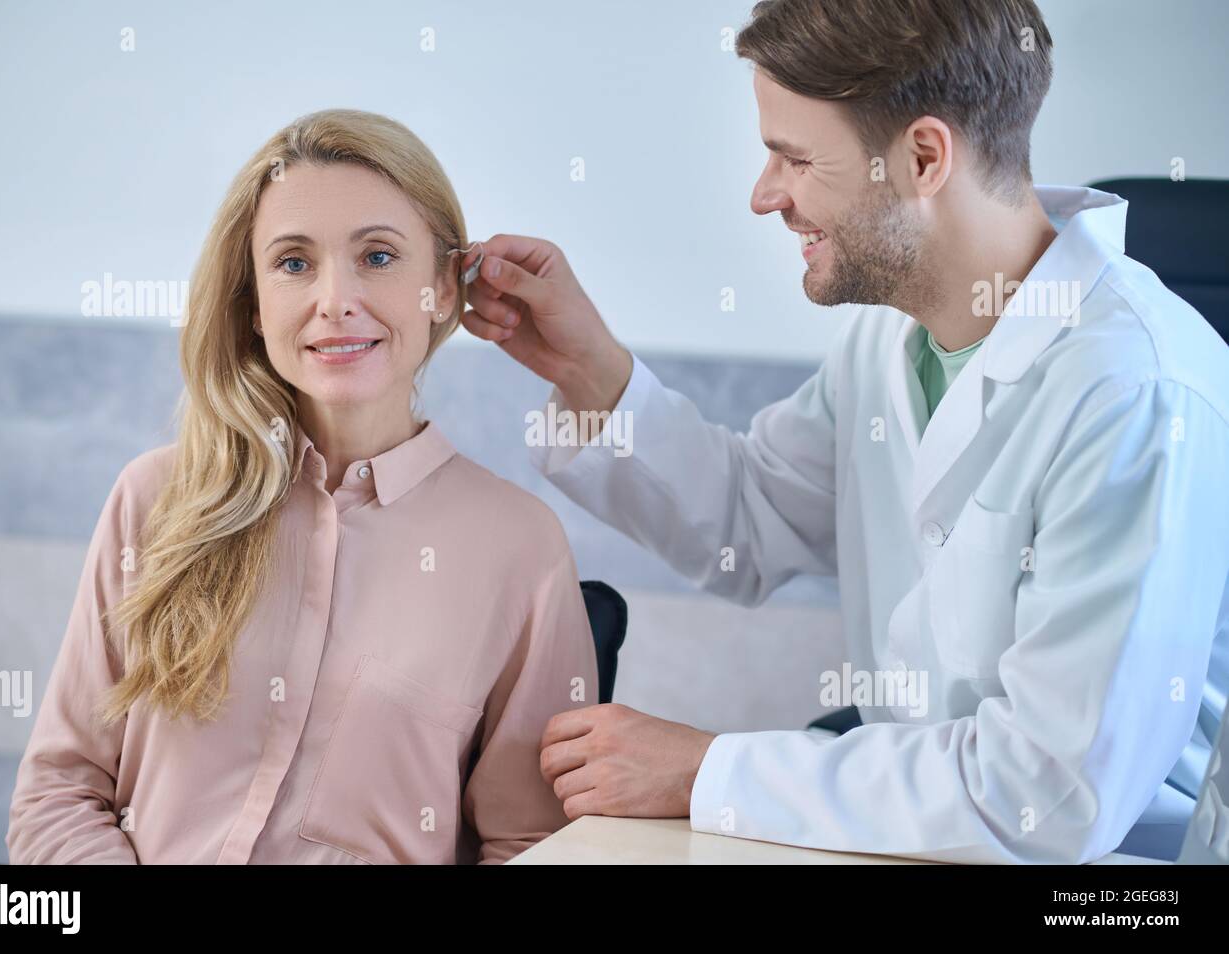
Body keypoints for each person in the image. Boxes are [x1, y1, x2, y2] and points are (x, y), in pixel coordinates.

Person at [459, 0, 1229, 863]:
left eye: (794, 158)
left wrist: (709, 770)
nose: (764, 195)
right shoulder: (889, 335)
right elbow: (750, 520)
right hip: (903, 832)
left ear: (924, 158)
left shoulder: (1134, 390)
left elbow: (1047, 796)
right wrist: (588, 369)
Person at [7, 109, 599, 865]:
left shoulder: (520, 547)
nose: (334, 300)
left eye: (378, 257)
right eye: (293, 263)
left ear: (444, 289)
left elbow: (531, 846)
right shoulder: (153, 501)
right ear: (254, 306)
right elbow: (60, 792)